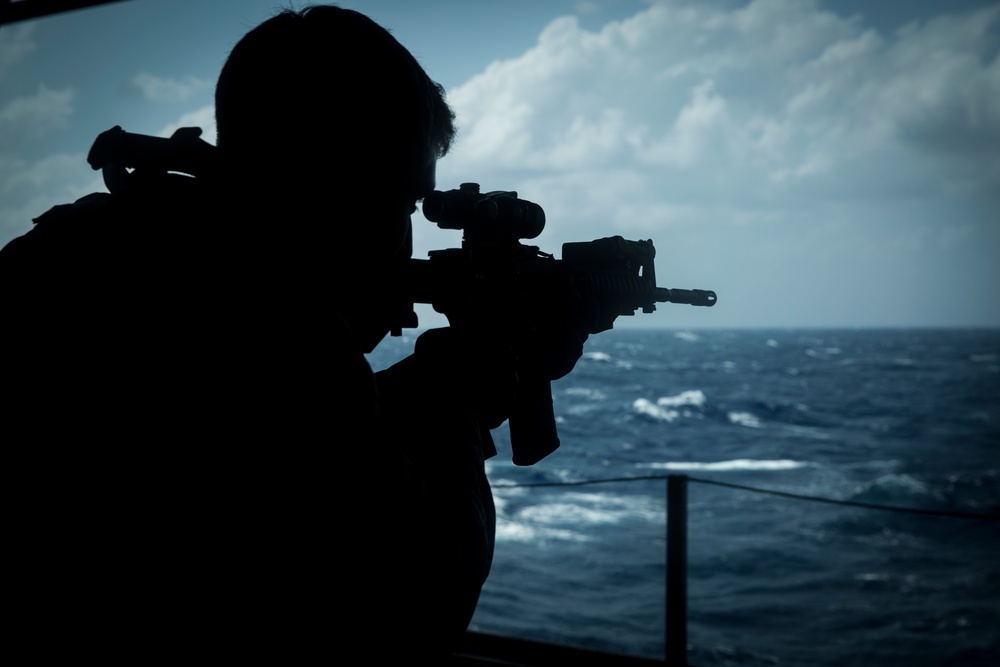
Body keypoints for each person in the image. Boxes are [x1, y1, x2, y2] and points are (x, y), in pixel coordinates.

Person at [1, 4, 586, 662]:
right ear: (345, 186)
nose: (406, 240)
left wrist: (436, 382)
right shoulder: (268, 314)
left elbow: (276, 449)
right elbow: (411, 607)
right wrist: (462, 401)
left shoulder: (91, 251)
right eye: (404, 199)